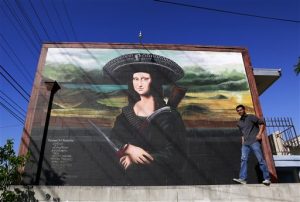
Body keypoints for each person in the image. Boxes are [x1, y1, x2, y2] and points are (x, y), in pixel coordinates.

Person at [103, 53, 187, 185]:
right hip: (127, 182)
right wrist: (128, 148)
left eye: (144, 78)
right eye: (135, 79)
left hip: (161, 181)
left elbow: (175, 155)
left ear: (154, 80)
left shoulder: (170, 116)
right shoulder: (124, 116)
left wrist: (137, 159)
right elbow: (113, 141)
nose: (139, 84)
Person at [233, 104, 271, 185]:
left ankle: (267, 178)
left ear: (244, 109)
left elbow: (262, 123)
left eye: (240, 110)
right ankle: (243, 179)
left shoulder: (251, 117)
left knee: (260, 159)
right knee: (243, 160)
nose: (239, 111)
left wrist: (259, 134)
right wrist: (243, 143)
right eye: (238, 111)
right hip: (245, 144)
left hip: (254, 142)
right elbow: (242, 134)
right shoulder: (239, 123)